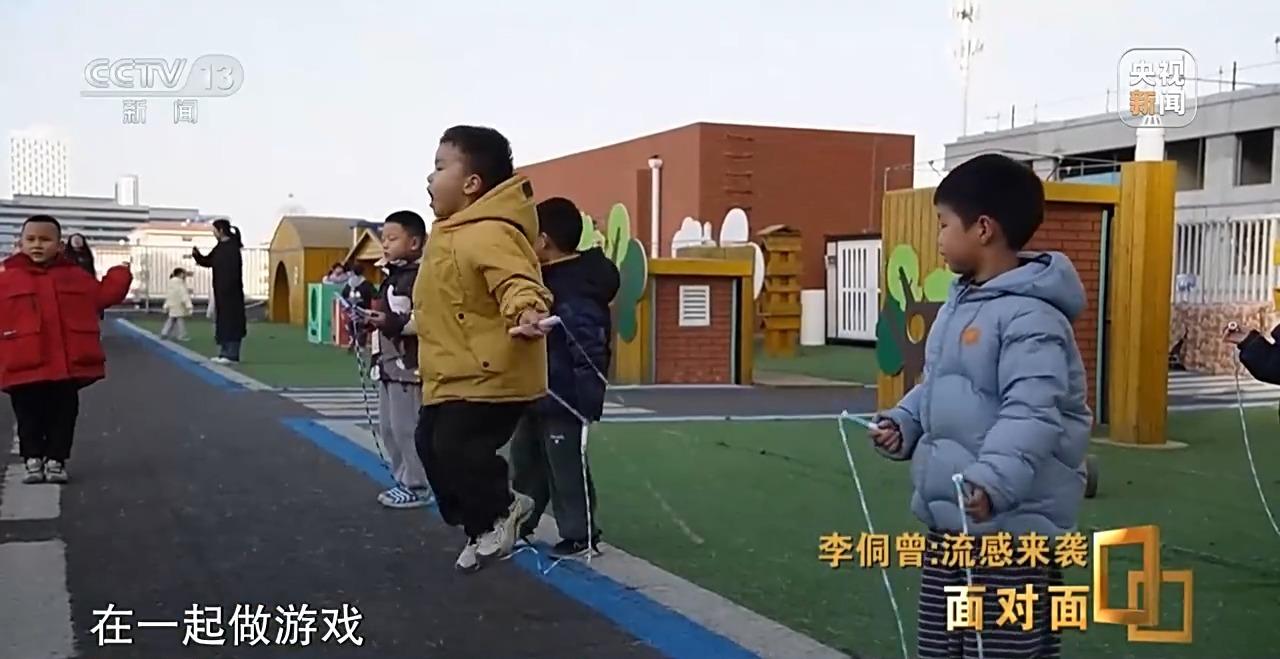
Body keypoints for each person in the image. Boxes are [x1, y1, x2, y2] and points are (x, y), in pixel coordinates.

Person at [868, 154, 1090, 659]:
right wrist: (905, 422)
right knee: (940, 647)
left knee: (1002, 649)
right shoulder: (961, 303)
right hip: (952, 524)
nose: (939, 237)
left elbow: (1032, 412)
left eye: (944, 224)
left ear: (983, 229)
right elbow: (942, 385)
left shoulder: (1032, 319)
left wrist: (992, 482)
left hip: (1009, 530)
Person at [413, 125, 552, 573]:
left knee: (456, 446)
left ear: (471, 183)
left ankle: (505, 506)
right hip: (450, 372)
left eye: (439, 167)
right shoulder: (446, 236)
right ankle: (480, 524)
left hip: (492, 371)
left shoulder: (491, 232)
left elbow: (516, 280)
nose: (429, 177)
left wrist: (527, 310)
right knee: (429, 445)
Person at [512, 197, 618, 557]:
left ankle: (580, 534)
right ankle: (517, 524)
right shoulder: (539, 280)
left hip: (564, 396)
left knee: (566, 466)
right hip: (533, 390)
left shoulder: (576, 287)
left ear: (543, 240)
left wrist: (586, 400)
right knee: (526, 463)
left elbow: (589, 347)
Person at [0, 215, 132, 484]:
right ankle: (33, 459)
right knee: (28, 414)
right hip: (24, 362)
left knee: (63, 415)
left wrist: (120, 274)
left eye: (45, 240)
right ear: (20, 243)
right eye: (31, 239)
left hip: (66, 365)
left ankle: (56, 459)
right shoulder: (6, 278)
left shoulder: (75, 277)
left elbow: (103, 296)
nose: (37, 245)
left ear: (60, 246)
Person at [363, 210, 434, 509]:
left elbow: (425, 319)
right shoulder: (393, 276)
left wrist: (390, 323)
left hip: (409, 366)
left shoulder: (422, 277)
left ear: (415, 242)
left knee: (407, 427)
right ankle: (403, 479)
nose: (385, 244)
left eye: (392, 238)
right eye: (384, 238)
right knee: (389, 427)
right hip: (388, 364)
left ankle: (417, 485)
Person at [192, 219, 247, 364]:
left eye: (215, 230)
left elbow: (233, 272)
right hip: (221, 291)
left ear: (221, 230)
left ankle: (232, 354)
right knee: (223, 321)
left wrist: (228, 287)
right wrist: (197, 256)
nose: (214, 233)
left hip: (231, 291)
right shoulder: (220, 248)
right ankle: (224, 353)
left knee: (232, 321)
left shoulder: (232, 248)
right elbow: (209, 261)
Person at [161, 267, 194, 341]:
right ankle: (181, 335)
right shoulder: (180, 283)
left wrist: (166, 305)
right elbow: (184, 295)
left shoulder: (171, 283)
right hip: (179, 305)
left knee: (171, 319)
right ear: (181, 274)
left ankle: (164, 333)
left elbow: (169, 295)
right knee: (179, 321)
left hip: (172, 305)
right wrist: (189, 306)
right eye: (184, 274)